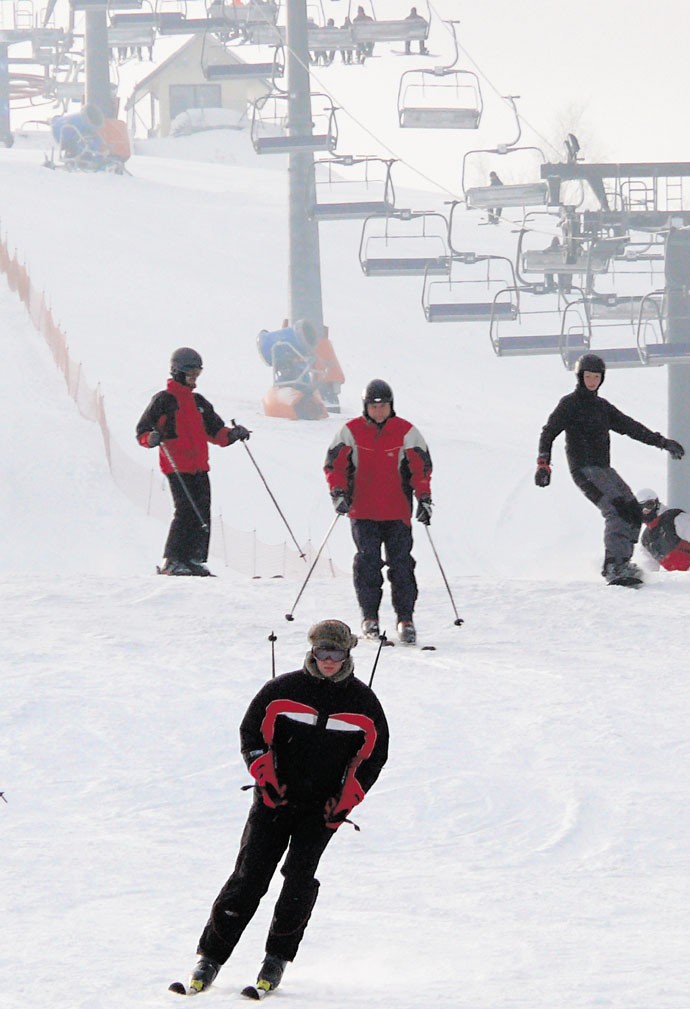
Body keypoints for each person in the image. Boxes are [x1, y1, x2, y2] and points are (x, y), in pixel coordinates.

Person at [181, 620, 389, 996]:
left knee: (298, 880)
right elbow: (252, 735)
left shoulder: (363, 704)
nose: (329, 660)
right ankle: (210, 957)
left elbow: (371, 759)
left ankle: (276, 958)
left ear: (348, 655)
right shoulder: (282, 690)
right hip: (274, 802)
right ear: (311, 651)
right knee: (249, 876)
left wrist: (345, 801)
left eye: (336, 653)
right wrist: (265, 777)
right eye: (322, 652)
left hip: (322, 811)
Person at [535, 352, 685, 586]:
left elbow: (631, 427)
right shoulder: (570, 404)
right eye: (588, 376)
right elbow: (549, 432)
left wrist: (663, 442)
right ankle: (613, 566)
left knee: (633, 511)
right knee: (615, 511)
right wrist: (543, 464)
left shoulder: (602, 408)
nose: (592, 381)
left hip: (604, 469)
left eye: (596, 377)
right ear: (580, 377)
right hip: (584, 470)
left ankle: (622, 562)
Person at [324, 379, 432, 644]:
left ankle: (405, 620)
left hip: (397, 513)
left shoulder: (406, 431)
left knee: (402, 566)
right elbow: (334, 465)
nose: (379, 411)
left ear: (391, 406)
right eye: (374, 406)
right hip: (363, 512)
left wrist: (424, 498)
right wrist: (338, 493)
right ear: (365, 407)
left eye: (383, 406)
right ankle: (369, 618)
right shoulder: (350, 432)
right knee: (368, 564)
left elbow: (421, 468)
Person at [136, 347, 250, 576]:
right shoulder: (164, 400)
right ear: (177, 371)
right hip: (177, 465)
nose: (194, 379)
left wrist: (233, 434)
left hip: (199, 465)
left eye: (197, 374)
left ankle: (194, 559)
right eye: (190, 374)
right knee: (185, 510)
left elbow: (216, 432)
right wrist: (151, 438)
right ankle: (173, 559)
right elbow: (142, 431)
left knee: (202, 508)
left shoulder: (198, 402)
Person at [635, 488, 690, 571]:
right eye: (640, 508)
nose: (645, 511)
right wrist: (645, 580)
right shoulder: (646, 539)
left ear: (657, 504)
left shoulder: (675, 519)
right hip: (678, 581)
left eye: (649, 505)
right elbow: (649, 567)